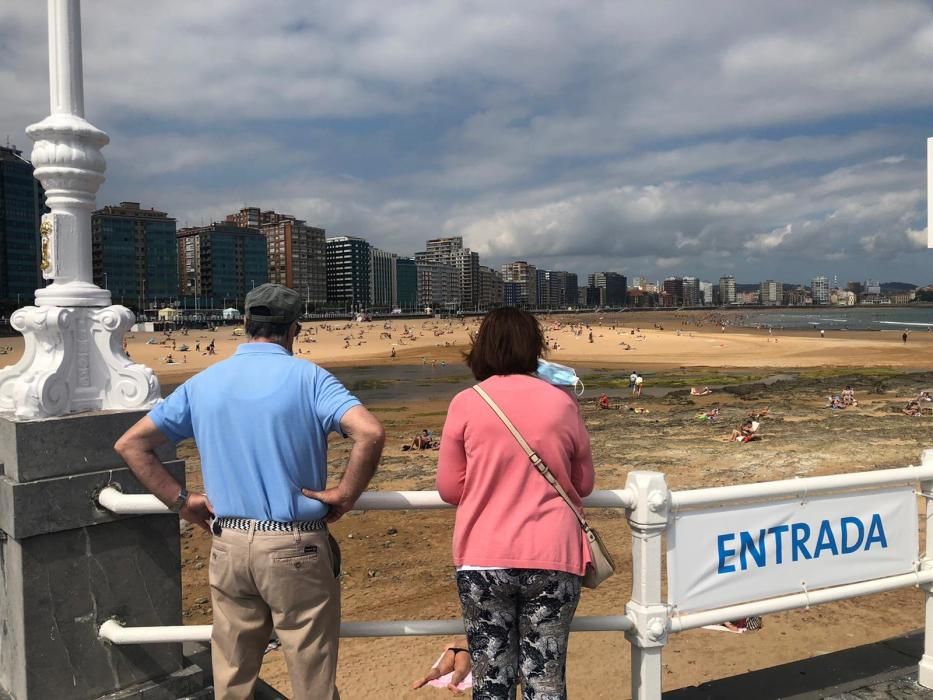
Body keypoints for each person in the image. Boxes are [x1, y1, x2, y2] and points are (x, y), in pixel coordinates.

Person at [114, 283, 385, 699]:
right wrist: (346, 494)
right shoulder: (309, 378)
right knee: (311, 671)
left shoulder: (205, 381)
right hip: (295, 543)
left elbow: (131, 444)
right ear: (295, 329)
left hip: (229, 541)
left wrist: (182, 502)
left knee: (233, 673)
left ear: (244, 323)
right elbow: (369, 432)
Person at [437, 307, 594, 700]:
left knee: (491, 681)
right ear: (534, 349)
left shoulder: (466, 403)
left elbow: (449, 488)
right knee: (545, 678)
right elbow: (584, 483)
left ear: (481, 349)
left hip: (484, 556)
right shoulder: (562, 403)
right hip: (553, 555)